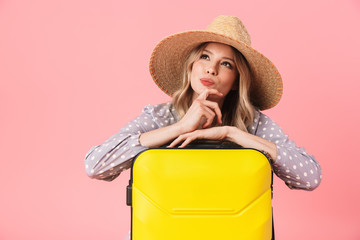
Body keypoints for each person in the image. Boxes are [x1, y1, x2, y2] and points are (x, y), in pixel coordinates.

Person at [84, 15, 322, 239]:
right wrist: (180, 127)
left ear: (237, 80)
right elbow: (96, 165)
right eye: (205, 57)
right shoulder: (159, 117)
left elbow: (310, 176)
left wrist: (233, 133)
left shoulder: (254, 123)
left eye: (226, 64)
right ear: (191, 67)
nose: (211, 69)